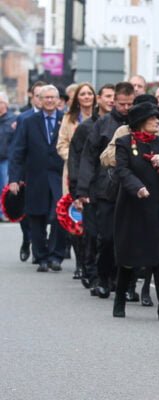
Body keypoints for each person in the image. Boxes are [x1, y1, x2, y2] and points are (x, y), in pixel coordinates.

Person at [111, 102, 159, 319]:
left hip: (157, 208)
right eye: (153, 118)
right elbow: (121, 170)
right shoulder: (124, 142)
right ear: (141, 121)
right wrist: (137, 187)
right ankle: (120, 300)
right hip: (132, 208)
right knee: (128, 257)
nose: (158, 121)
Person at [76, 82, 135, 299]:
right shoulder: (102, 125)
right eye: (122, 104)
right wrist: (83, 189)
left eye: (130, 104)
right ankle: (102, 278)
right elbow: (88, 158)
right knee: (107, 238)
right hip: (105, 190)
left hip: (130, 189)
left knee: (128, 240)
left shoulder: (137, 123)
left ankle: (125, 284)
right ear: (114, 102)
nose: (126, 108)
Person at [9, 85, 67, 272]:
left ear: (59, 100)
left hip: (59, 177)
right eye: (46, 97)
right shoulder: (28, 121)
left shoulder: (65, 121)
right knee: (37, 217)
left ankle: (56, 255)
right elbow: (18, 151)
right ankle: (41, 256)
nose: (49, 101)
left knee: (60, 215)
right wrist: (14, 179)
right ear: (39, 100)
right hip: (36, 176)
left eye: (53, 97)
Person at [57, 83, 96, 194]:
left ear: (94, 96)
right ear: (77, 98)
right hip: (73, 168)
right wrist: (75, 157)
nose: (87, 96)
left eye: (89, 93)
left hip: (95, 168)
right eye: (83, 94)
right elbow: (61, 145)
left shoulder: (102, 118)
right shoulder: (68, 118)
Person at [0, 92, 17, 221]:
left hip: (6, 159)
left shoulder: (13, 120)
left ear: (5, 104)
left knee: (5, 187)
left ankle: (4, 212)